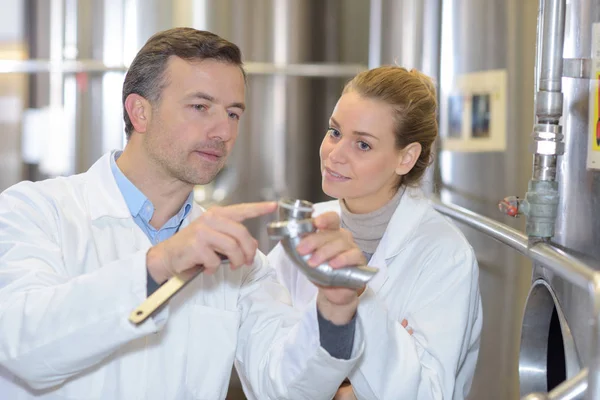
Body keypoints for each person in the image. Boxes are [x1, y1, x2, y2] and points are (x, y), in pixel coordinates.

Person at [0, 27, 369, 400]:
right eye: (200, 107)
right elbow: (21, 348)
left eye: (233, 113)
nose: (223, 131)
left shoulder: (240, 262)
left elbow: (286, 385)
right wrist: (162, 262)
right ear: (140, 112)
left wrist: (335, 309)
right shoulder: (35, 212)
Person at [268, 66, 483, 400]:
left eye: (363, 145)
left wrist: (354, 294)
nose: (335, 154)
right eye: (335, 132)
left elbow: (428, 392)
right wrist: (353, 384)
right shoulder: (309, 229)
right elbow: (266, 360)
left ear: (406, 158)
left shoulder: (445, 254)